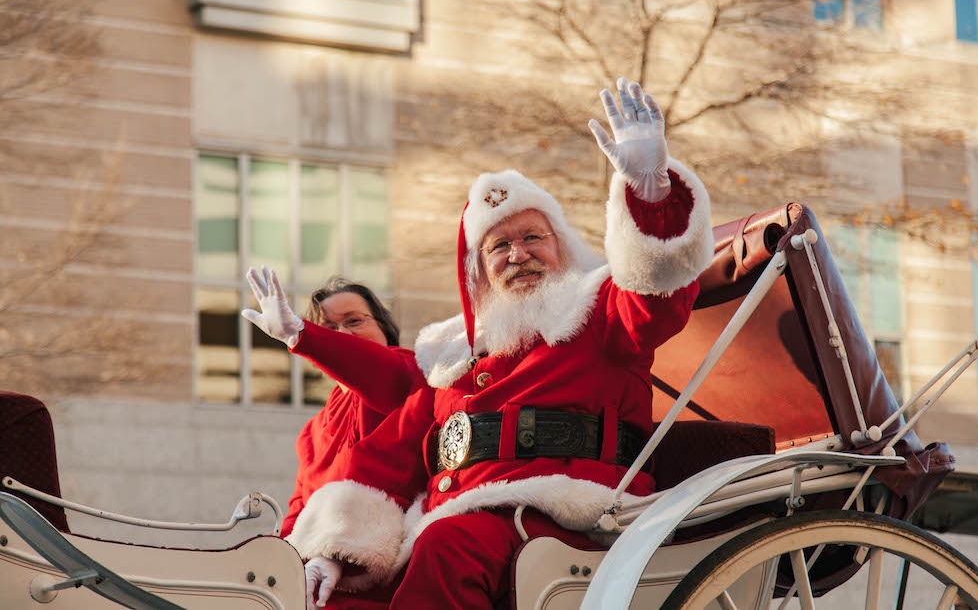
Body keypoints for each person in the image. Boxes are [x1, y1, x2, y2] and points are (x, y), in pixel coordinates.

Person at [256, 77, 715, 609]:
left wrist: (651, 191)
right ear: (480, 273)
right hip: (457, 520)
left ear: (561, 247)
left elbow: (657, 294)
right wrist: (332, 549)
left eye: (531, 238)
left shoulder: (600, 308)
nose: (517, 255)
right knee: (338, 597)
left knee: (446, 548)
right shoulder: (454, 357)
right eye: (499, 246)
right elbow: (389, 454)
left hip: (570, 516)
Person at [241, 270, 424, 539]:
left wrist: (300, 334)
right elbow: (297, 518)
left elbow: (381, 372)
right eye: (328, 329)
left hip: (392, 553)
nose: (342, 333)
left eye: (354, 320)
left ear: (384, 328)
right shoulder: (311, 434)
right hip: (320, 560)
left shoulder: (407, 372)